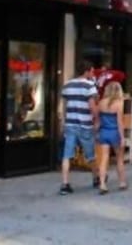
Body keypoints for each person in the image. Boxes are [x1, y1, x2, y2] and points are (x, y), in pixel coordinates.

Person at [59, 60, 99, 195]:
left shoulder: (67, 85)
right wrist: (96, 120)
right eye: (92, 71)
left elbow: (64, 106)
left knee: (67, 155)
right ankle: (96, 177)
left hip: (70, 123)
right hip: (85, 124)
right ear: (87, 71)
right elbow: (92, 106)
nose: (93, 73)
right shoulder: (90, 86)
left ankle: (65, 184)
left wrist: (64, 121)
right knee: (90, 154)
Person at [96, 81, 128, 194]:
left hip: (104, 132)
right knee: (119, 159)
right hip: (115, 133)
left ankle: (103, 184)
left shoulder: (101, 103)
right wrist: (122, 137)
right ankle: (122, 182)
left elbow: (98, 121)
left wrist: (95, 132)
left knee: (104, 159)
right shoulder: (119, 103)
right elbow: (120, 122)